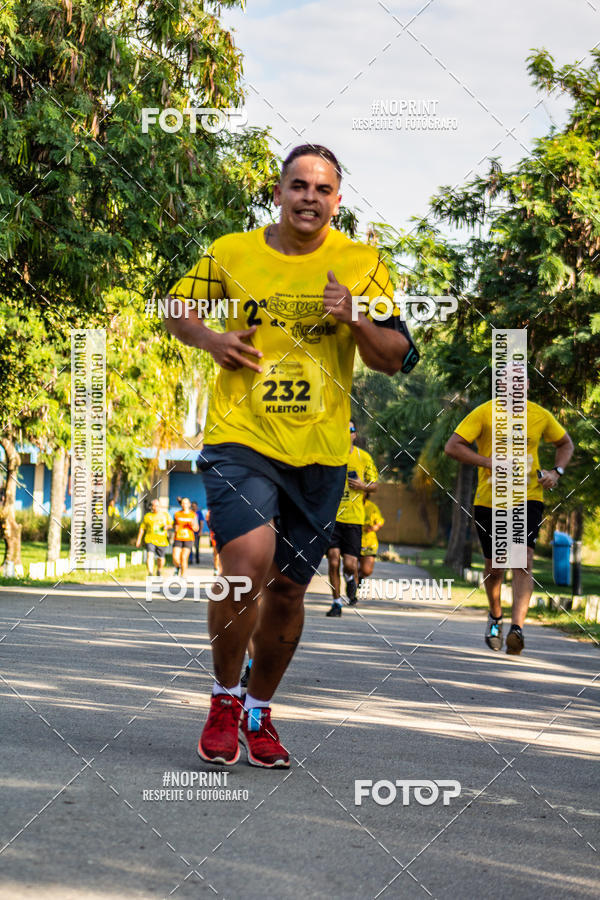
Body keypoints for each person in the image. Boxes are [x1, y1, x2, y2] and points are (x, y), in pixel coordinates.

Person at [166, 143, 419, 768]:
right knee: (246, 565)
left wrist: (356, 320)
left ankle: (258, 710)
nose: (309, 196)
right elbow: (176, 309)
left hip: (322, 450)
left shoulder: (362, 264)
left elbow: (394, 357)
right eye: (298, 185)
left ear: (338, 201)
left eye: (323, 188)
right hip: (241, 436)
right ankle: (224, 699)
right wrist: (211, 338)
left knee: (286, 591)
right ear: (277, 193)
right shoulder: (232, 252)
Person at [445, 392, 573, 655]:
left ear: (526, 384)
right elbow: (452, 446)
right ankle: (495, 616)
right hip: (489, 500)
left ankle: (517, 629)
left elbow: (565, 444)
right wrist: (487, 462)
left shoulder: (539, 414)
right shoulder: (484, 412)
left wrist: (555, 472)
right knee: (495, 567)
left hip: (528, 497)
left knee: (523, 558)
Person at [326, 422, 378, 615]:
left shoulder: (363, 457)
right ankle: (336, 603)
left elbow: (375, 485)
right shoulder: (329, 455)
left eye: (351, 431)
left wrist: (363, 486)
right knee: (332, 561)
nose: (347, 433)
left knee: (349, 564)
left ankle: (350, 579)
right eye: (343, 430)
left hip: (354, 518)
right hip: (332, 518)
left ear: (355, 435)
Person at [136, 499, 173, 577]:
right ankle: (150, 573)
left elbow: (172, 524)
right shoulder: (147, 516)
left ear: (160, 506)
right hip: (150, 539)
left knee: (161, 558)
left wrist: (167, 526)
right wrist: (139, 540)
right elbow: (142, 528)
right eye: (154, 505)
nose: (155, 507)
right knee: (150, 555)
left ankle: (159, 570)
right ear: (151, 506)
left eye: (157, 505)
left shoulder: (165, 515)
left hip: (162, 540)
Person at [359, 495, 385, 584]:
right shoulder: (350, 505)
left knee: (367, 571)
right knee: (350, 566)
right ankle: (352, 582)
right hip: (353, 539)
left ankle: (360, 576)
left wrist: (375, 527)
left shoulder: (372, 506)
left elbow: (380, 522)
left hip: (369, 542)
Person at [172, 497, 199, 578]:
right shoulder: (177, 514)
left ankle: (183, 575)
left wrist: (192, 525)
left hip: (188, 538)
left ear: (189, 504)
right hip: (178, 538)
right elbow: (174, 524)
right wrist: (174, 527)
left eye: (186, 503)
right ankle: (177, 567)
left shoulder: (193, 514)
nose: (184, 504)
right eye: (183, 503)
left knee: (184, 557)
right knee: (175, 557)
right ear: (181, 504)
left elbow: (196, 528)